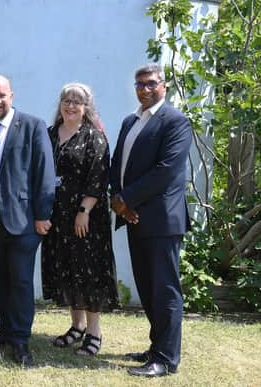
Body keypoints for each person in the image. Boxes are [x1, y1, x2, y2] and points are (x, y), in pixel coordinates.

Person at [0, 74, 56, 366]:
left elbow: (45, 173)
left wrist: (43, 214)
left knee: (21, 282)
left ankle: (20, 340)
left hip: (24, 222)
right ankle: (5, 331)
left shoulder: (32, 126)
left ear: (12, 96)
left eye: (2, 95)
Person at [109, 63, 192, 377]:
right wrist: (119, 200)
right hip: (134, 218)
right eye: (139, 84)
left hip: (161, 220)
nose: (144, 89)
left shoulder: (175, 121)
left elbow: (166, 171)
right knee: (146, 287)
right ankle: (156, 347)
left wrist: (125, 199)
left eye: (150, 84)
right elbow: (118, 163)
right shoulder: (131, 120)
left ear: (164, 85)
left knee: (164, 290)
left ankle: (166, 359)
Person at [41, 83, 119, 357]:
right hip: (57, 217)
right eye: (66, 100)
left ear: (86, 107)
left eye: (77, 101)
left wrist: (83, 210)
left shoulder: (94, 137)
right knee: (67, 269)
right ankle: (76, 326)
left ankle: (94, 331)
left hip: (85, 217)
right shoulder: (49, 135)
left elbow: (98, 176)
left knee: (88, 272)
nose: (71, 105)